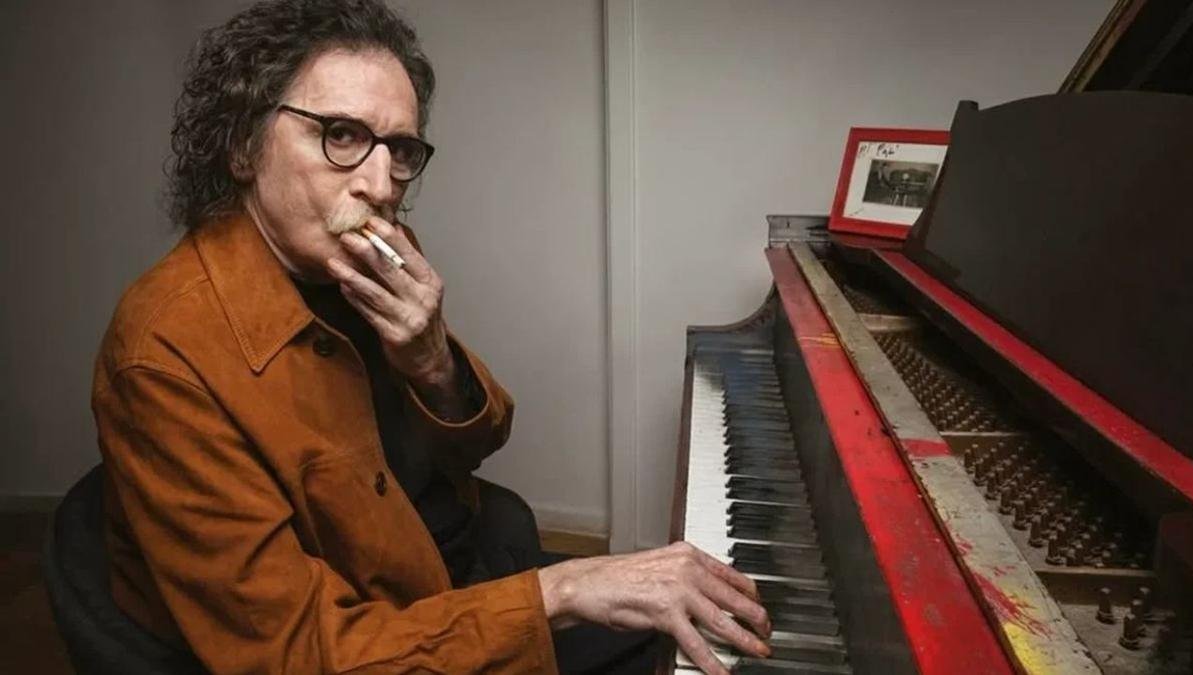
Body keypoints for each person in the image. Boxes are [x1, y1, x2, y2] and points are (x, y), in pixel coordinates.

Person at [92, 1, 770, 673]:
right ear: (244, 145)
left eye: (399, 150)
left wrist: (433, 360)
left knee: (700, 630)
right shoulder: (164, 353)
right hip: (383, 633)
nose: (380, 184)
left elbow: (482, 440)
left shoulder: (374, 255)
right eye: (340, 135)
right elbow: (297, 653)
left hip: (447, 577)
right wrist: (562, 591)